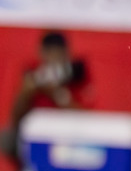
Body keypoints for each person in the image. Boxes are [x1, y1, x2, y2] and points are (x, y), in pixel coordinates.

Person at [4, 31, 89, 160]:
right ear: (41, 53)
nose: (53, 60)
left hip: (68, 134)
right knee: (6, 139)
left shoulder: (78, 74)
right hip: (35, 134)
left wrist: (56, 93)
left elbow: (87, 120)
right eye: (49, 55)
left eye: (58, 56)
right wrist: (25, 93)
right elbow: (15, 119)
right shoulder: (31, 72)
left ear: (66, 54)